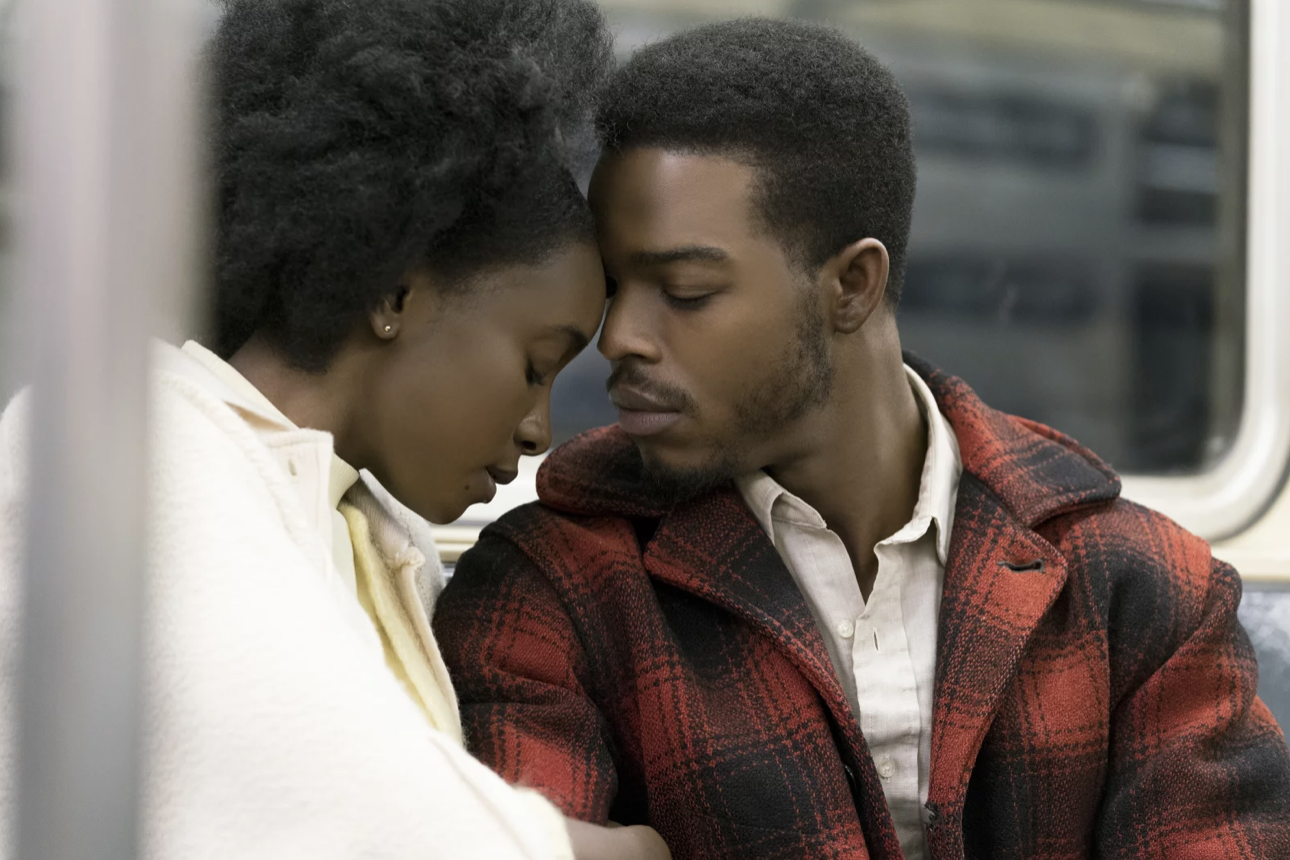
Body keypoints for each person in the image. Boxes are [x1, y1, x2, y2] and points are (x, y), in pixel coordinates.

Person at [433, 17, 1290, 860]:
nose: (619, 337)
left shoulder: (1137, 587)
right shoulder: (555, 585)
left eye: (686, 290)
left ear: (852, 285)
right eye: (615, 288)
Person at [0, 0, 670, 858]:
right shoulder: (132, 449)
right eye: (536, 365)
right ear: (395, 295)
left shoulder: (359, 528)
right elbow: (385, 824)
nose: (540, 429)